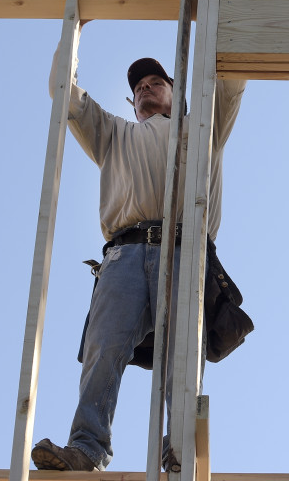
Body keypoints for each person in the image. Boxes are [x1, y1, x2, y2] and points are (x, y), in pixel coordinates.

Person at [31, 25, 252, 472]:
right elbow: (63, 91)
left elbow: (234, 78)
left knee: (181, 358)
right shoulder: (114, 134)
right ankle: (87, 448)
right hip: (125, 254)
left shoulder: (203, 128)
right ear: (132, 104)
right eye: (138, 89)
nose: (146, 89)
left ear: (177, 95)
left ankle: (178, 452)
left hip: (184, 249)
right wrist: (76, 26)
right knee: (103, 349)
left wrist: (229, 18)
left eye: (156, 83)